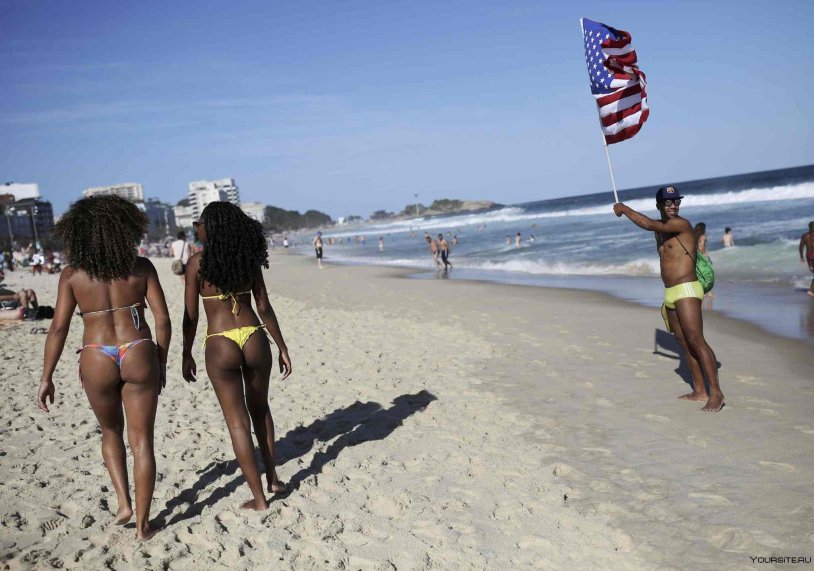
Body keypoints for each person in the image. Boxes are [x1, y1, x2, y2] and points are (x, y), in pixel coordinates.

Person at [36, 195, 171, 540]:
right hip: (139, 349)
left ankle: (124, 504)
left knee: (111, 432)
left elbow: (59, 329)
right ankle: (143, 525)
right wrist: (162, 358)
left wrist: (46, 377)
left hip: (96, 354)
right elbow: (162, 319)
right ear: (123, 228)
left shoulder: (72, 276)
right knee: (142, 442)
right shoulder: (140, 267)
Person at [182, 202, 292, 511]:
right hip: (254, 336)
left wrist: (186, 352)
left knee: (238, 424)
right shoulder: (248, 259)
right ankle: (272, 478)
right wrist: (281, 346)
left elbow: (190, 317)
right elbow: (264, 307)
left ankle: (259, 499)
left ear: (212, 227)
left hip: (220, 342)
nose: (196, 228)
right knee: (261, 410)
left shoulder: (196, 264)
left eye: (200, 223)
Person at [614, 186, 724, 412]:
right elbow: (653, 228)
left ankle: (717, 393)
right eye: (668, 202)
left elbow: (646, 223)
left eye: (676, 202)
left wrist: (624, 208)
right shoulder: (660, 229)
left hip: (687, 289)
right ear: (659, 205)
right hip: (670, 291)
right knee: (683, 342)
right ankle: (699, 390)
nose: (673, 206)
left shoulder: (681, 225)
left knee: (696, 340)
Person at [694, 223, 714, 302]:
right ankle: (709, 293)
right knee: (708, 275)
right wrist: (706, 257)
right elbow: (702, 247)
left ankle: (700, 292)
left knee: (699, 275)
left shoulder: (693, 236)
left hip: (695, 256)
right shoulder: (703, 236)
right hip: (701, 256)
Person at [800, 221, 814, 297]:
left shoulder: (805, 235)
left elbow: (801, 247)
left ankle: (812, 290)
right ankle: (811, 291)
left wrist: (801, 257)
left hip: (809, 256)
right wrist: (801, 257)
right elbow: (801, 247)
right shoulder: (806, 236)